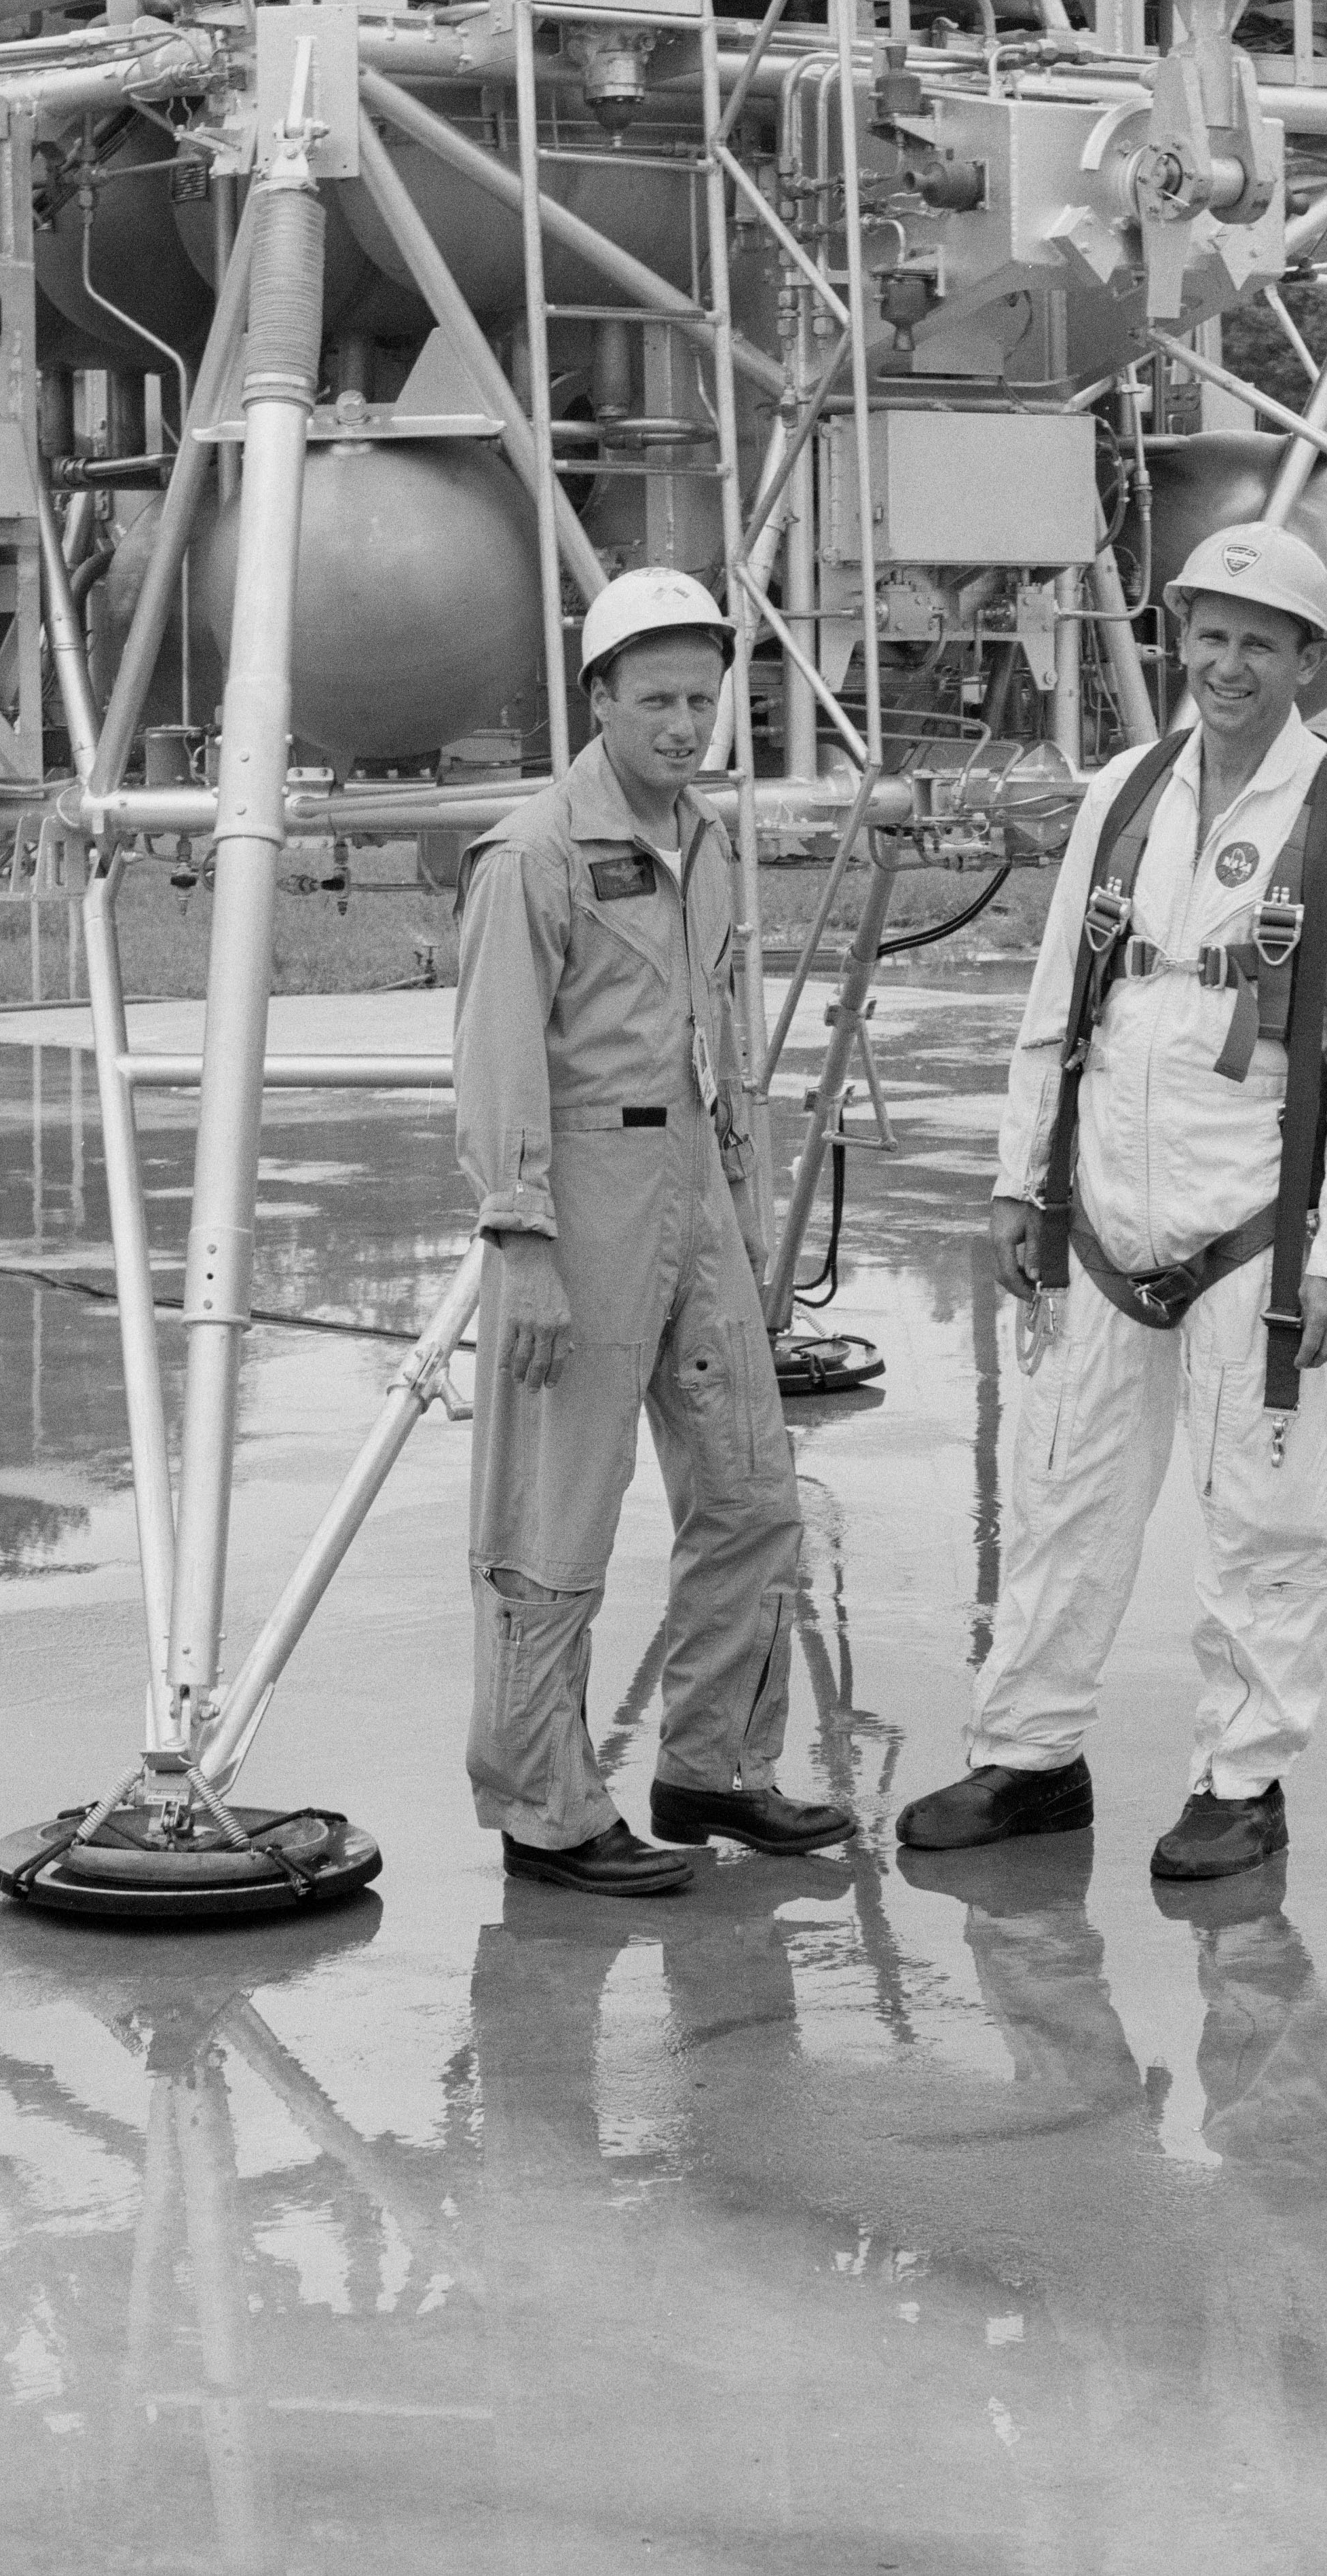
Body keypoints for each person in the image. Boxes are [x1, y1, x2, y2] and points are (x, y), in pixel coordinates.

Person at [898, 523, 1327, 1886]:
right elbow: (1053, 999)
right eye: (1210, 633)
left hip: (1259, 1232)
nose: (1229, 663)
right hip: (1105, 1219)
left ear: (1308, 658)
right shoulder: (1129, 792)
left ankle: (1242, 1782)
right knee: (1064, 1492)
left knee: (1261, 1516)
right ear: (1178, 637)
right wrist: (1023, 1179)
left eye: (1260, 640)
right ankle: (1027, 1756)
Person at [452, 568, 855, 1896]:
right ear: (601, 699)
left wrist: (749, 1211)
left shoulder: (705, 842)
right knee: (555, 1518)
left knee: (750, 1493)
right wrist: (522, 1244)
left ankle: (712, 1768)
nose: (685, 725)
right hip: (581, 1199)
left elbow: (721, 1046)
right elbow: (498, 1057)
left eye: (703, 699)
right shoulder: (535, 857)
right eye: (659, 700)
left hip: (697, 1195)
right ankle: (546, 1810)